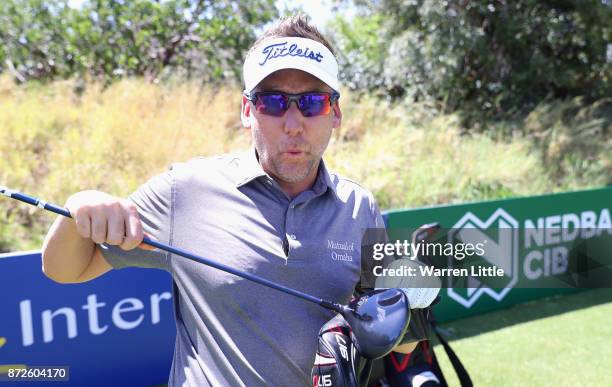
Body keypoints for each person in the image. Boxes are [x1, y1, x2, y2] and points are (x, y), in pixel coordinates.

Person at [41, 14, 426, 386]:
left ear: (335, 113)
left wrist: (413, 298)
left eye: (312, 103)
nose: (293, 124)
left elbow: (399, 333)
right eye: (272, 103)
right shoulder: (185, 192)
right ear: (247, 110)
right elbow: (65, 270)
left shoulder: (361, 207)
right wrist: (79, 208)